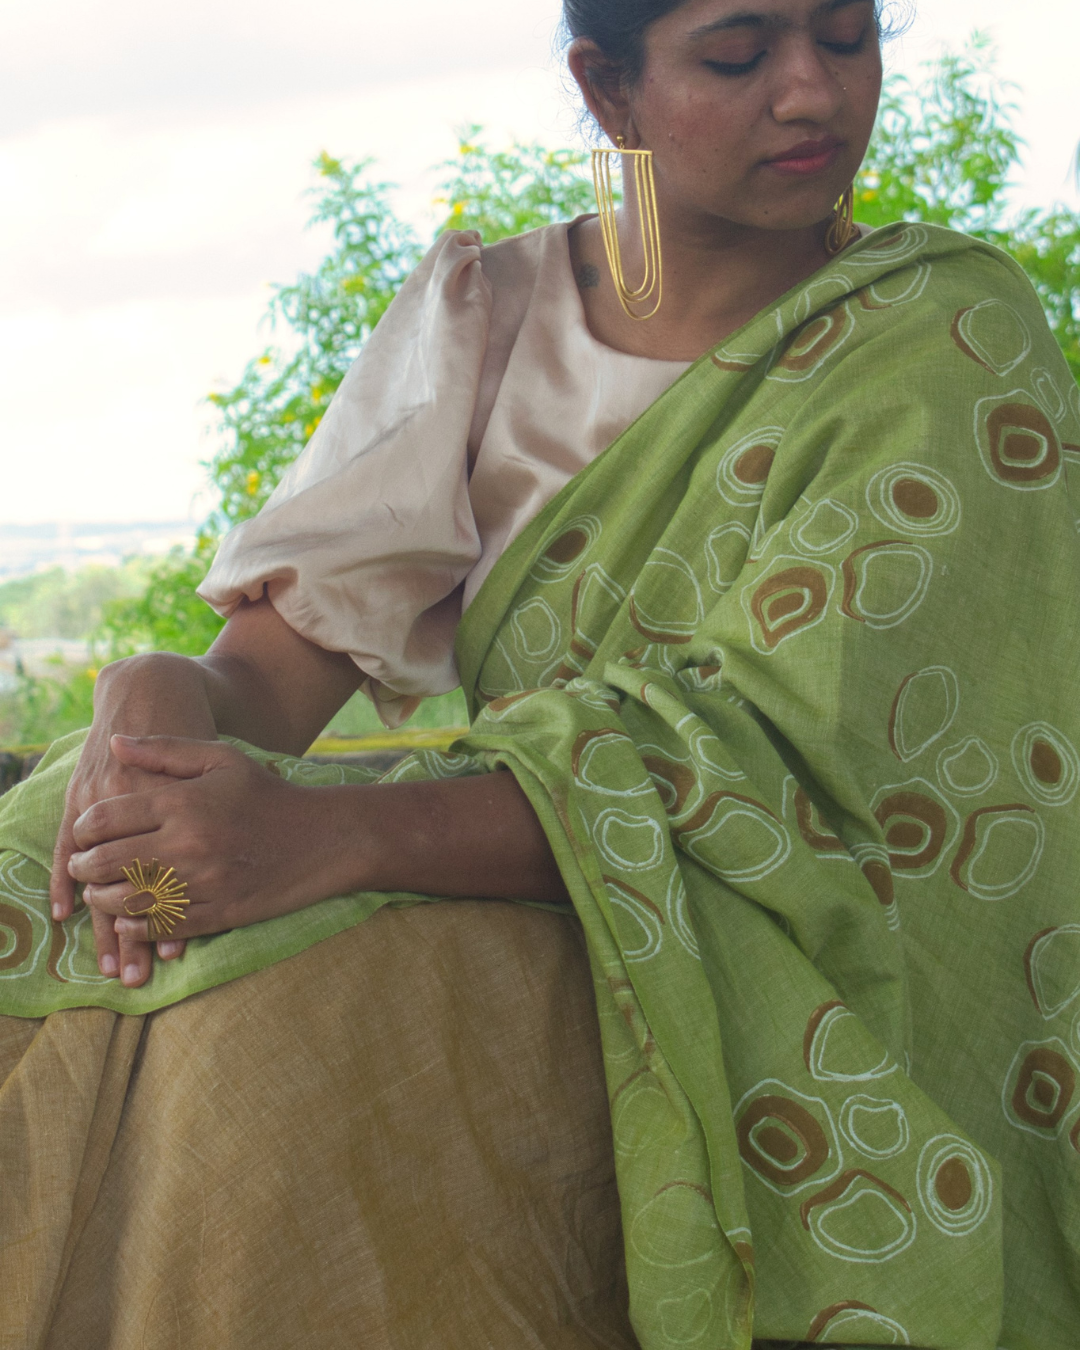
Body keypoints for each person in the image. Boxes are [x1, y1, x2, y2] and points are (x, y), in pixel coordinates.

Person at [1, 0, 1078, 1345]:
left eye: (846, 40)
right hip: (504, 858)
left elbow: (791, 763)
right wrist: (153, 709)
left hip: (741, 942)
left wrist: (339, 832)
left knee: (275, 1028)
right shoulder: (488, 313)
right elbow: (265, 684)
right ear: (607, 88)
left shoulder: (944, 343)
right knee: (50, 868)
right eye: (740, 55)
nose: (812, 94)